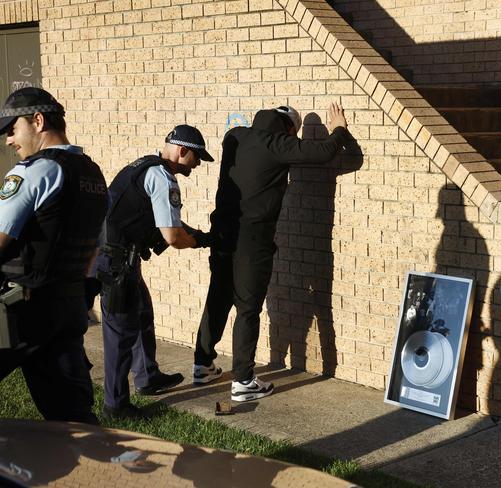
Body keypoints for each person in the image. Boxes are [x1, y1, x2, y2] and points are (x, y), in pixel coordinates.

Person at [193, 102, 349, 402]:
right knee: (247, 307)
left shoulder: (235, 137)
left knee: (218, 297)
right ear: (289, 128)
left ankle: (202, 364)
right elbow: (323, 152)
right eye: (296, 132)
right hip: (252, 241)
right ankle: (243, 381)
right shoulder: (277, 143)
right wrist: (338, 130)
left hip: (222, 234)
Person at [0, 87, 108, 424]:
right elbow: (93, 249)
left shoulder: (33, 172)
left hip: (21, 313)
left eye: (11, 130)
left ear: (37, 120)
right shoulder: (92, 173)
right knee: (73, 418)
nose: (8, 141)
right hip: (67, 309)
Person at [97, 125, 213, 419]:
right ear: (182, 150)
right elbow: (172, 236)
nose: (197, 164)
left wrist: (202, 236)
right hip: (116, 263)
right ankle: (115, 405)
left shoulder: (143, 166)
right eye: (196, 157)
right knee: (119, 334)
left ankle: (148, 377)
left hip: (121, 259)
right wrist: (201, 242)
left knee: (142, 316)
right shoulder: (162, 177)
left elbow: (158, 221)